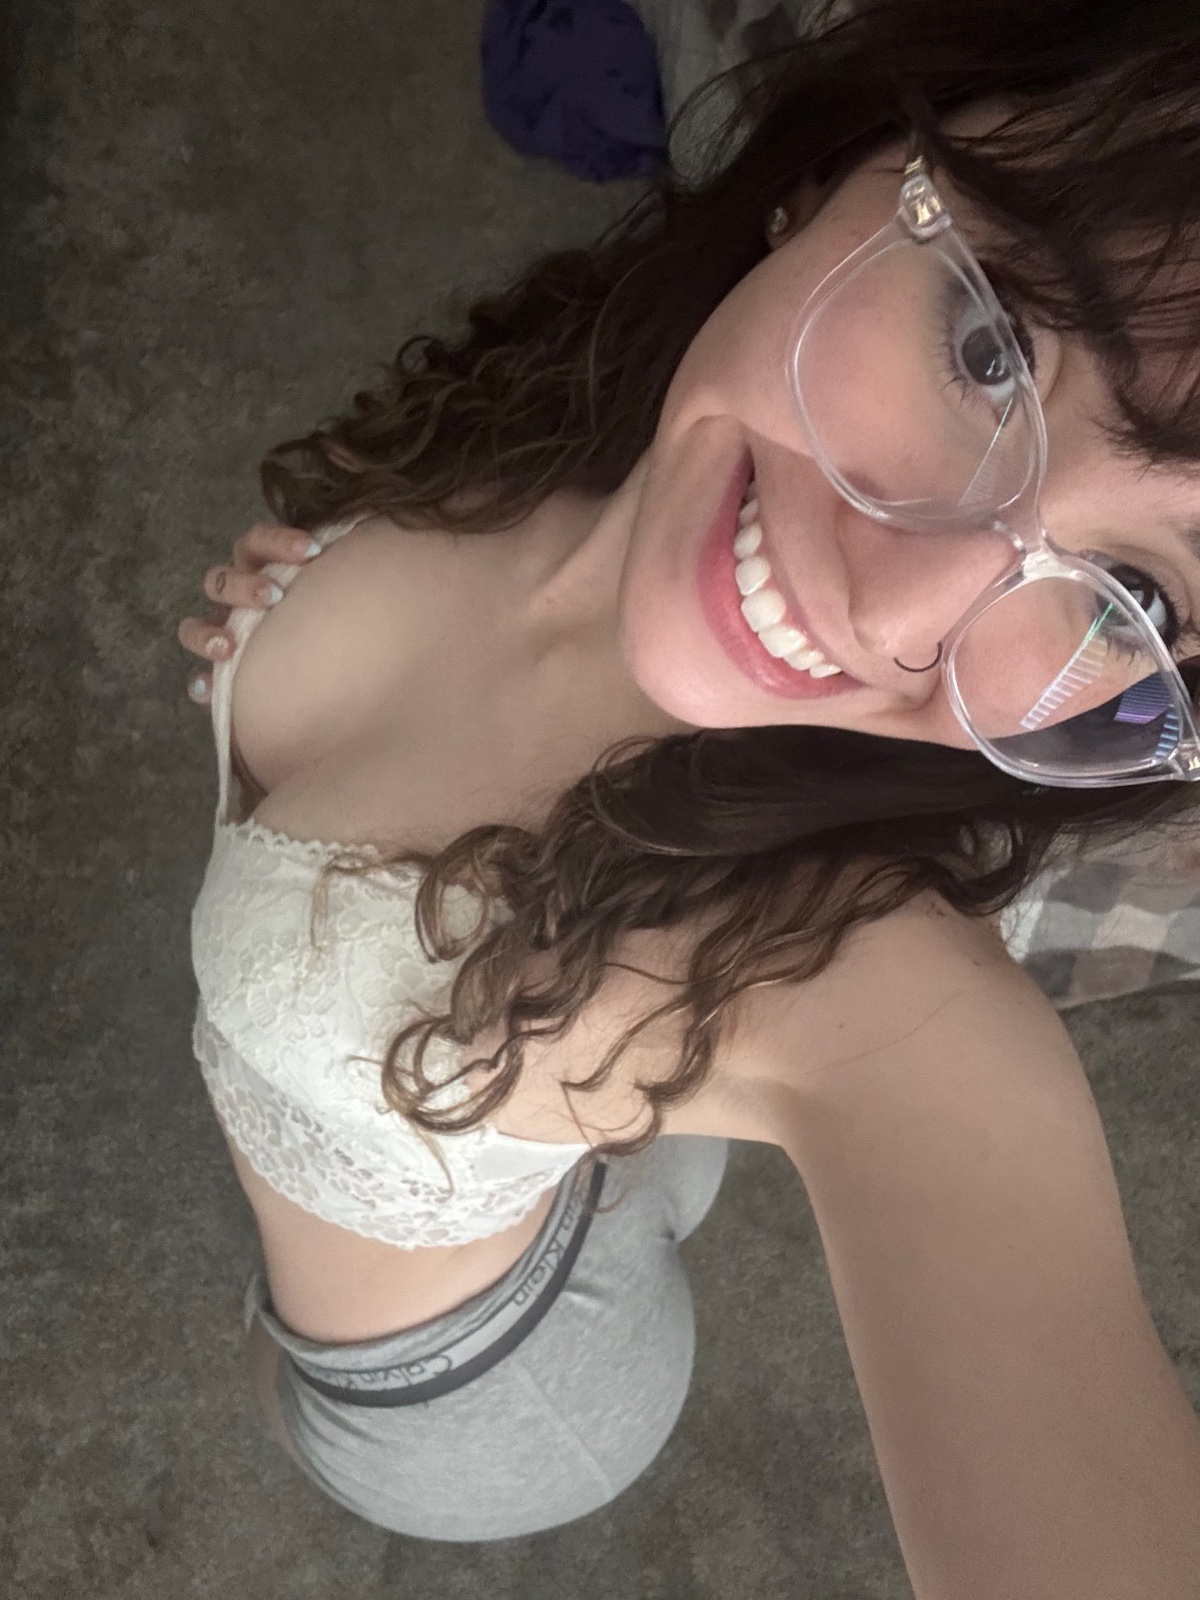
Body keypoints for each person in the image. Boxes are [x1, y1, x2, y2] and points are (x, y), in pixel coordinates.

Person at [177, 1, 1200, 1590]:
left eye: (1138, 596)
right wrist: (291, 641)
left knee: (288, 1395)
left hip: (476, 1394)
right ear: (851, 164)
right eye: (991, 347)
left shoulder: (856, 982)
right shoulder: (593, 402)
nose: (903, 612)